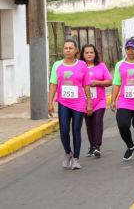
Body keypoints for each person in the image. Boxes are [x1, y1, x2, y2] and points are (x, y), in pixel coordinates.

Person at [48, 39, 93, 170]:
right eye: (65, 48)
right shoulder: (57, 65)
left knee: (76, 130)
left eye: (70, 48)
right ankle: (68, 153)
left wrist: (89, 102)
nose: (67, 50)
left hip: (79, 102)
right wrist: (50, 102)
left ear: (75, 51)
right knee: (63, 131)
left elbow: (86, 85)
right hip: (63, 102)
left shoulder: (82, 65)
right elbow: (53, 85)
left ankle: (76, 159)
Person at [79, 44, 112, 158]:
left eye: (91, 52)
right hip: (84, 101)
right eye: (87, 52)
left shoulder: (101, 66)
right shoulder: (79, 67)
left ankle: (97, 146)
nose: (89, 54)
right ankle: (92, 146)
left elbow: (109, 81)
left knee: (97, 122)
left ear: (95, 54)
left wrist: (97, 83)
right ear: (82, 54)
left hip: (100, 101)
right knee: (89, 124)